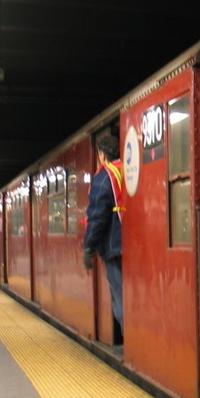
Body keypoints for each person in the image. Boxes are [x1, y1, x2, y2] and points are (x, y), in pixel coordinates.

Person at [83, 135, 124, 331]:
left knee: (120, 296)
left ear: (101, 155)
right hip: (132, 242)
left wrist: (88, 247)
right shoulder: (128, 169)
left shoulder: (104, 177)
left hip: (113, 245)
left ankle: (130, 343)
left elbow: (97, 215)